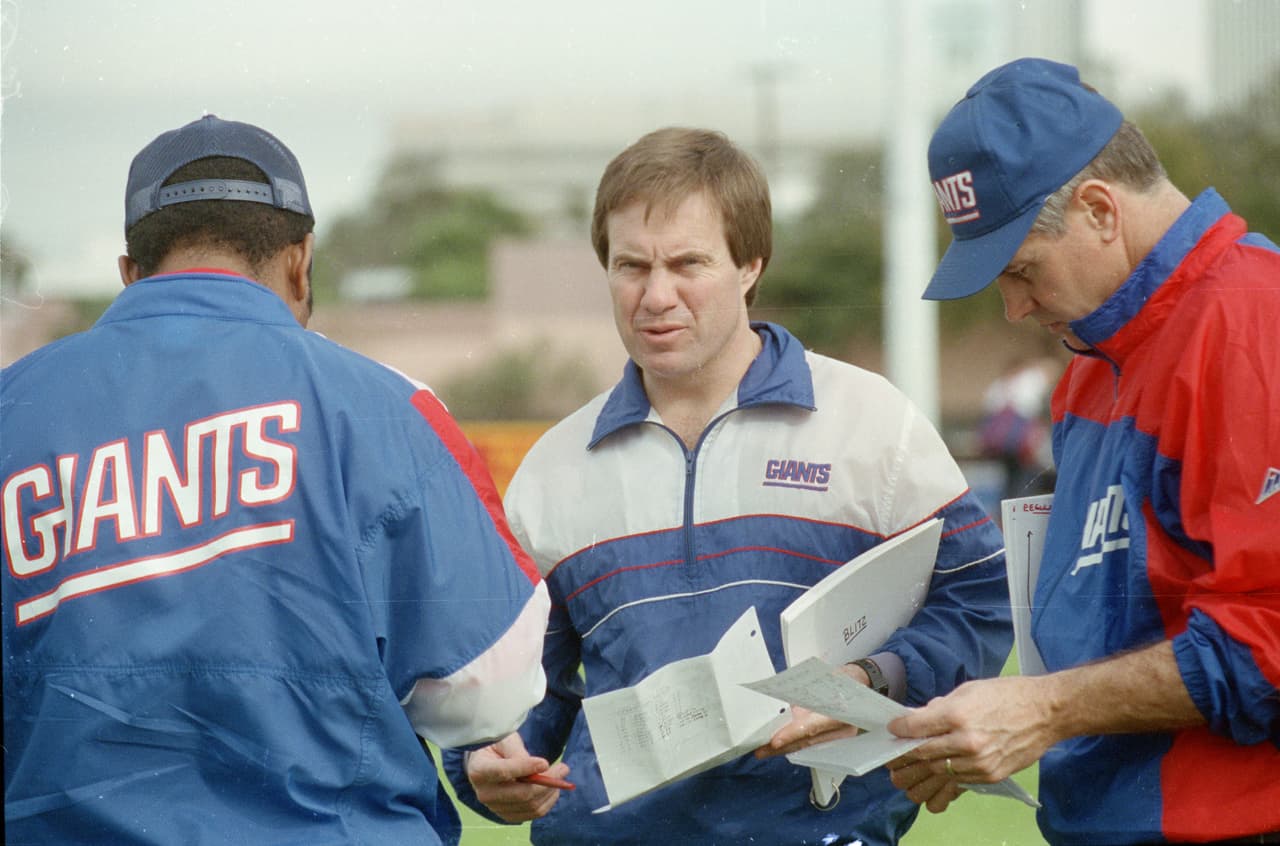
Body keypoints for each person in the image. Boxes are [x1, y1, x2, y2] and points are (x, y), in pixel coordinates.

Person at [440, 127, 1012, 845]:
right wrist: (487, 762)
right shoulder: (552, 472)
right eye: (630, 266)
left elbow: (979, 602)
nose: (656, 296)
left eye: (688, 263)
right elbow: (514, 697)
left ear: (749, 264)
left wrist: (876, 676)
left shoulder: (873, 424)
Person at [1, 115, 549, 845]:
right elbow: (493, 687)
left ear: (130, 271)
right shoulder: (385, 407)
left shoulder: (13, 408)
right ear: (300, 260)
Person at [887, 57, 1280, 845]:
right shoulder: (1093, 367)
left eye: (1021, 269)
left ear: (1100, 209)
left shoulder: (1251, 325)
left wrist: (1044, 709)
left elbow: (1268, 635)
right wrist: (984, 727)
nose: (1012, 307)